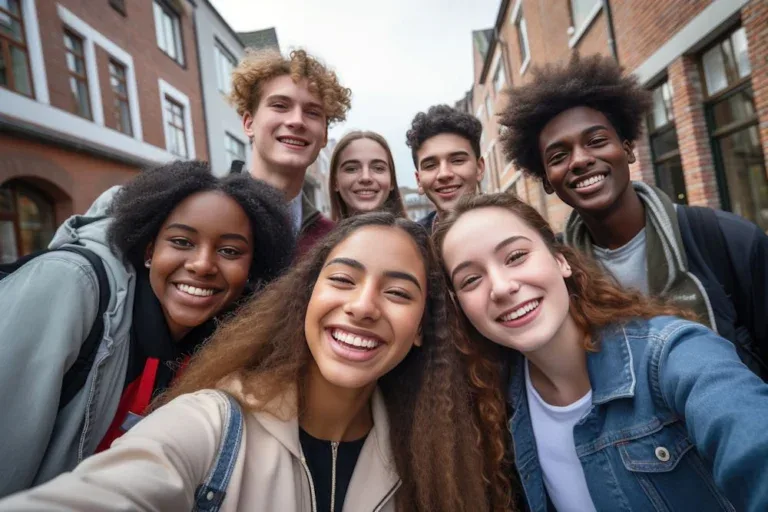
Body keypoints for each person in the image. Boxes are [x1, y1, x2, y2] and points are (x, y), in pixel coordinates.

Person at [0, 213, 512, 511]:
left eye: (398, 292)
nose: (363, 306)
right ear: (306, 298)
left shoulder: (428, 453)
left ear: (421, 328)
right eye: (342, 280)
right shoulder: (211, 423)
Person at [434, 192, 768, 512]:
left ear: (560, 260)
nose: (501, 287)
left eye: (516, 257)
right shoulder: (497, 406)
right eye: (471, 280)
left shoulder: (672, 354)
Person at [0, 161, 294, 498]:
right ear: (150, 251)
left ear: (251, 266)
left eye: (229, 251)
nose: (202, 265)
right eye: (182, 241)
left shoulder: (224, 337)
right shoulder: (69, 284)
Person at [498, 53, 768, 379]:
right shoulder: (552, 273)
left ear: (627, 149)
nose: (580, 160)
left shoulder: (730, 240)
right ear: (546, 181)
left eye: (596, 141)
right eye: (558, 156)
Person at [229, 48, 352, 254]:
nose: (297, 121)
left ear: (324, 135)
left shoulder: (335, 244)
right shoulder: (205, 215)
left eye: (312, 112)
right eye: (280, 105)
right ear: (249, 123)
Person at [405, 104, 485, 233]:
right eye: (430, 165)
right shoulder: (411, 241)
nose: (444, 174)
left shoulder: (513, 225)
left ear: (479, 168)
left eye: (457, 161)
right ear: (418, 180)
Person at [328, 131, 406, 221]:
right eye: (351, 169)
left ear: (392, 180)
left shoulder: (415, 230)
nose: (366, 177)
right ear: (335, 182)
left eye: (378, 168)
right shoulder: (321, 230)